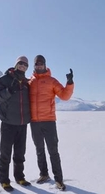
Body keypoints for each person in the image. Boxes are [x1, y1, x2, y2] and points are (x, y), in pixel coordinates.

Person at [28, 55, 74, 191]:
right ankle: (44, 174)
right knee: (39, 150)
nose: (39, 66)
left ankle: (59, 179)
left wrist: (70, 83)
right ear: (34, 66)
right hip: (34, 122)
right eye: (37, 64)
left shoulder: (52, 81)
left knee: (53, 151)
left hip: (49, 121)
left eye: (41, 64)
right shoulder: (30, 82)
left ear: (45, 65)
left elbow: (65, 96)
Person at [0, 56, 32, 192]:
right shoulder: (5, 79)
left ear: (27, 67)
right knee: (5, 153)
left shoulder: (27, 83)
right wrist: (9, 91)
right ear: (16, 65)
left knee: (20, 153)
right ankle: (4, 180)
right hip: (8, 123)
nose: (22, 66)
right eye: (20, 63)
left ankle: (20, 177)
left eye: (25, 64)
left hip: (22, 123)